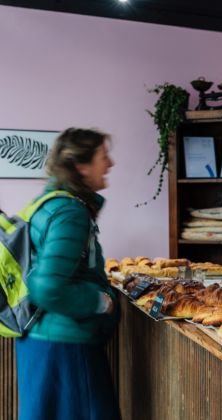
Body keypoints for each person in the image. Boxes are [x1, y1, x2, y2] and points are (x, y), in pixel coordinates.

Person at [16, 128, 120, 420]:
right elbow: (46, 286)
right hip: (65, 348)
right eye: (103, 156)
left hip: (44, 342)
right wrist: (99, 301)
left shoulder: (50, 203)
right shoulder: (70, 212)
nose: (110, 164)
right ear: (81, 167)